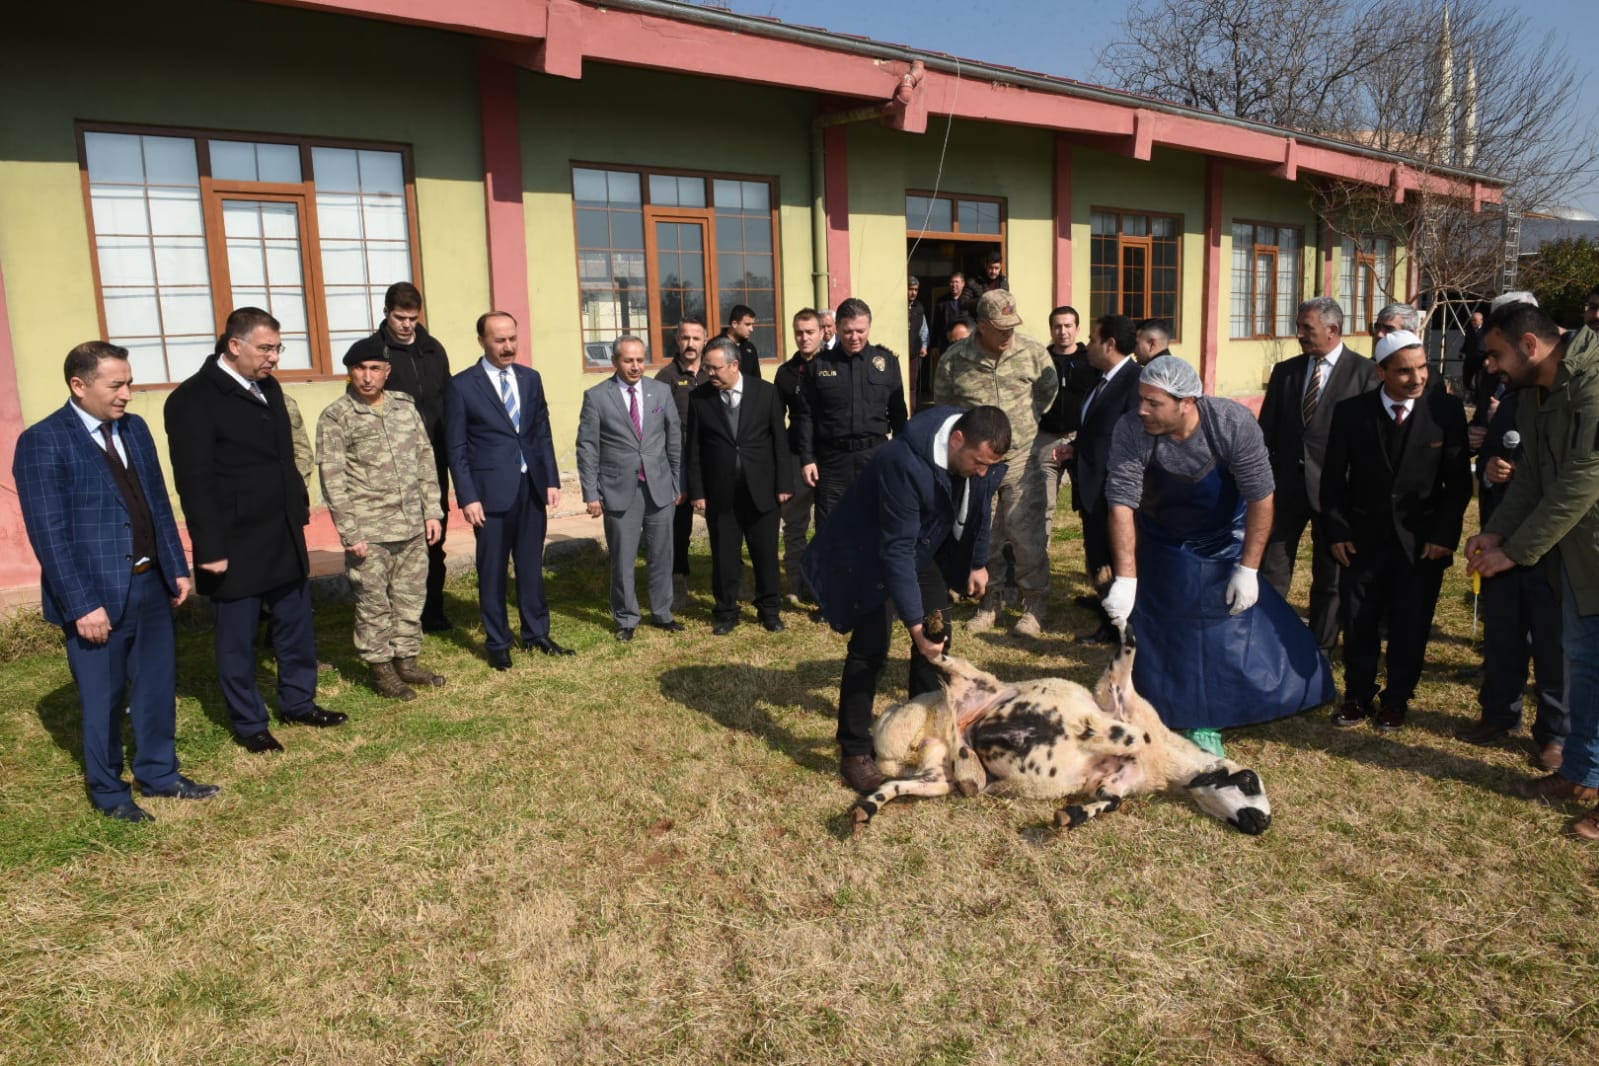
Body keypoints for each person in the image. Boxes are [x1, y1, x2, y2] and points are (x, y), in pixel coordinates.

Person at [14, 341, 216, 822]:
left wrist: (176, 566)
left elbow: (156, 503)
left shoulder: (135, 428)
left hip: (150, 584)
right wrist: (81, 604)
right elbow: (50, 535)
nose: (127, 393)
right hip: (95, 596)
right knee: (103, 700)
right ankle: (109, 792)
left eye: (129, 383)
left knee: (156, 687)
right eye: (116, 385)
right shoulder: (44, 441)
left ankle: (160, 773)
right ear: (79, 385)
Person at [1103, 355, 1334, 756]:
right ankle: (1166, 708)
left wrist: (1248, 568)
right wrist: (1126, 578)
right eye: (1141, 399)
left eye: (1154, 403)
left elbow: (1261, 496)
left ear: (1187, 402)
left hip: (1224, 533)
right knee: (1165, 624)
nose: (1142, 409)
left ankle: (1220, 709)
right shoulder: (1132, 430)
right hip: (1162, 534)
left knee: (1222, 629)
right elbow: (1121, 502)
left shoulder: (1230, 423)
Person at [804, 405, 1011, 793]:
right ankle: (854, 751)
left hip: (923, 544)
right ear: (957, 440)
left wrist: (977, 562)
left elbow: (981, 507)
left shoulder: (975, 455)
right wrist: (914, 624)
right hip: (872, 551)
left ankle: (920, 730)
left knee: (938, 639)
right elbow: (895, 551)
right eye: (979, 462)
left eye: (990, 466)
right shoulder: (902, 461)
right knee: (870, 649)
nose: (983, 472)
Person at [165, 307, 345, 753]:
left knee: (295, 625)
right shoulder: (193, 399)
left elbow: (284, 457)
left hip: (282, 531)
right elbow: (194, 481)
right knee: (238, 640)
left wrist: (297, 508)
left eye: (278, 348)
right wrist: (209, 547)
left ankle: (299, 702)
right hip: (234, 540)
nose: (274, 358)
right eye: (266, 348)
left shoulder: (268, 387)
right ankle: (250, 723)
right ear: (234, 345)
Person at [1467, 301, 1599, 841]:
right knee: (1586, 665)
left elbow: (1582, 478)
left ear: (1529, 345)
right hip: (1580, 554)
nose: (1491, 366)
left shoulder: (1592, 382)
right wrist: (1497, 531)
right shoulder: (1535, 392)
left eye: (1497, 354)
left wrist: (1516, 551)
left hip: (1586, 542)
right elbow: (1531, 479)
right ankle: (1582, 774)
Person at [1321, 330, 1472, 732]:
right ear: (1381, 372)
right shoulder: (1351, 412)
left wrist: (1443, 536)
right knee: (1359, 622)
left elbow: (1458, 483)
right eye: (1405, 371)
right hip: (1362, 541)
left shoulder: (1446, 411)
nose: (1417, 378)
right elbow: (1333, 479)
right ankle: (1357, 696)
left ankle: (1397, 700)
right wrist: (1338, 531)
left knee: (1411, 625)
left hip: (1422, 545)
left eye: (1422, 368)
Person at [317, 345, 446, 700]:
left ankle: (406, 660)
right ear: (350, 371)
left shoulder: (404, 407)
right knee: (373, 604)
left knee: (410, 596)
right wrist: (350, 532)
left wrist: (432, 511)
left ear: (387, 371)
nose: (367, 376)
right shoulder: (336, 417)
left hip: (411, 523)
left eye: (375, 368)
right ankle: (381, 669)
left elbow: (424, 458)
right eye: (360, 368)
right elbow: (333, 479)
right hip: (369, 530)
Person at [445, 311, 572, 670]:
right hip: (489, 495)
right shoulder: (461, 386)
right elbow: (456, 447)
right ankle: (498, 641)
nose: (508, 346)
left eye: (512, 338)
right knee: (493, 570)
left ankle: (536, 633)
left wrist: (550, 479)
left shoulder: (531, 379)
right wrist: (468, 496)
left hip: (530, 488)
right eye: (499, 340)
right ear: (482, 341)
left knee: (531, 566)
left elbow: (541, 432)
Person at [932, 289, 1057, 636]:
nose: (1007, 334)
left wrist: (1025, 423)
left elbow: (1047, 392)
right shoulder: (955, 359)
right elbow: (945, 407)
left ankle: (1034, 604)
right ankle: (991, 600)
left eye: (1011, 326)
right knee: (982, 535)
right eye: (1000, 328)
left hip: (1020, 459)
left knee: (1026, 535)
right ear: (982, 325)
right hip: (977, 465)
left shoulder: (1032, 353)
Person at [1258, 297, 1377, 654]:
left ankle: (1319, 649)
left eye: (1306, 328)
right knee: (1272, 568)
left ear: (1332, 330)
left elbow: (1369, 442)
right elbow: (1267, 431)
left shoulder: (1366, 374)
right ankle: (1268, 642)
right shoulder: (1286, 372)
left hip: (1336, 493)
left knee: (1331, 577)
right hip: (1286, 488)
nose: (1299, 334)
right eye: (1298, 326)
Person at [1456, 387, 1567, 770]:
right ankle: (1500, 714)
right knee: (1503, 632)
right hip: (1502, 539)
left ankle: (1556, 734)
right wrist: (1490, 472)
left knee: (1554, 645)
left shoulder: (1575, 404)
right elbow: (1490, 452)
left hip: (1554, 546)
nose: (1494, 365)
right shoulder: (1514, 403)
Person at [344, 281, 454, 632]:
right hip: (387, 463)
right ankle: (392, 614)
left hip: (432, 457)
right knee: (393, 544)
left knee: (434, 536)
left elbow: (447, 398)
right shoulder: (375, 353)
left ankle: (432, 611)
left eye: (412, 318)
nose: (407, 325)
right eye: (399, 318)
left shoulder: (433, 349)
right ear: (386, 313)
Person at [576, 335, 683, 641]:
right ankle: (626, 618)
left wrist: (677, 483)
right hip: (619, 490)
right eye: (628, 360)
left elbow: (673, 437)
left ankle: (662, 613)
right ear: (615, 362)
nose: (635, 366)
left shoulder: (660, 391)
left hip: (659, 487)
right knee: (623, 559)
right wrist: (591, 493)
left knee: (662, 555)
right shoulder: (597, 397)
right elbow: (587, 448)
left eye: (639, 360)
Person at [685, 337, 792, 634]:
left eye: (715, 368)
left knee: (765, 555)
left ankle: (769, 610)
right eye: (706, 368)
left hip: (762, 490)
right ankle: (726, 612)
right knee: (724, 557)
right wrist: (697, 491)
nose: (710, 373)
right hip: (721, 493)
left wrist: (784, 483)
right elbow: (693, 449)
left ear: (734, 365)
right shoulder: (699, 398)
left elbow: (780, 443)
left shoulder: (766, 393)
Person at [1060, 314, 1142, 643]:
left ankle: (1117, 626)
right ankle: (1107, 607)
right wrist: (1075, 450)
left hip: (1113, 491)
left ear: (1110, 344)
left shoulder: (1135, 382)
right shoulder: (1102, 380)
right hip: (1091, 486)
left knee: (1114, 555)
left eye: (1093, 340)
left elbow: (1134, 440)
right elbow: (1097, 431)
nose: (1088, 345)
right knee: (1097, 553)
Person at [796, 296, 908, 527]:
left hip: (874, 455)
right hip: (832, 460)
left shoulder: (887, 362)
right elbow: (805, 416)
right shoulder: (819, 365)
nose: (854, 337)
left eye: (860, 331)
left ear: (869, 327)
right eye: (847, 331)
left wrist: (903, 453)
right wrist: (807, 459)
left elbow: (898, 413)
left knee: (876, 524)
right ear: (836, 328)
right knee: (831, 528)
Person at [656, 317, 712, 611]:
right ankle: (678, 581)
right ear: (677, 340)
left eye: (696, 338)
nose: (690, 344)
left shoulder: (713, 371)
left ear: (705, 340)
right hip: (677, 462)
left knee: (724, 521)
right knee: (679, 526)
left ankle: (732, 576)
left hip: (712, 459)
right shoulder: (665, 378)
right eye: (685, 338)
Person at [775, 308, 823, 604]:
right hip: (795, 454)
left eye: (809, 332)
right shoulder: (786, 372)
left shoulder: (835, 365)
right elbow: (775, 419)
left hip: (829, 455)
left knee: (830, 524)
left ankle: (821, 582)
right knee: (795, 524)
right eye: (799, 332)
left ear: (821, 333)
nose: (804, 338)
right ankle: (795, 582)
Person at [1036, 305, 1097, 538]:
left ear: (1077, 329)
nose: (1063, 331)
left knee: (1089, 505)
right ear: (1051, 329)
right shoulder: (1041, 360)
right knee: (1043, 506)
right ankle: (1040, 558)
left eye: (1068, 326)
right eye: (1057, 326)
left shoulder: (1092, 361)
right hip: (1046, 440)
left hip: (1081, 440)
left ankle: (1096, 556)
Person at [719, 304, 763, 379]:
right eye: (747, 324)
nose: (751, 329)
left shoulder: (750, 348)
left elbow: (757, 379)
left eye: (752, 325)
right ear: (734, 324)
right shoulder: (716, 346)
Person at [907, 275, 929, 409]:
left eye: (916, 289)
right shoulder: (899, 306)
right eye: (910, 289)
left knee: (913, 385)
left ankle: (912, 410)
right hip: (900, 353)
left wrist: (924, 346)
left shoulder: (919, 307)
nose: (913, 293)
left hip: (914, 352)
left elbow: (923, 328)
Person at [933, 273, 970, 350]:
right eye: (952, 282)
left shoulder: (969, 301)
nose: (954, 285)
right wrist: (934, 345)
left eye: (956, 282)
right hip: (947, 343)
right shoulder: (942, 302)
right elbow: (936, 324)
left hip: (965, 343)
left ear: (963, 284)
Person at [1461, 310, 1486, 394]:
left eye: (1475, 320)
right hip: (1469, 359)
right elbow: (1466, 343)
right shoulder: (1469, 330)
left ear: (1481, 321)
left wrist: (1488, 358)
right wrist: (1462, 352)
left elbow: (1490, 346)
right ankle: (1471, 394)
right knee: (1466, 380)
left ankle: (1478, 398)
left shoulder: (1486, 331)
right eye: (1472, 320)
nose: (1473, 322)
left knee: (1479, 382)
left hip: (1481, 360)